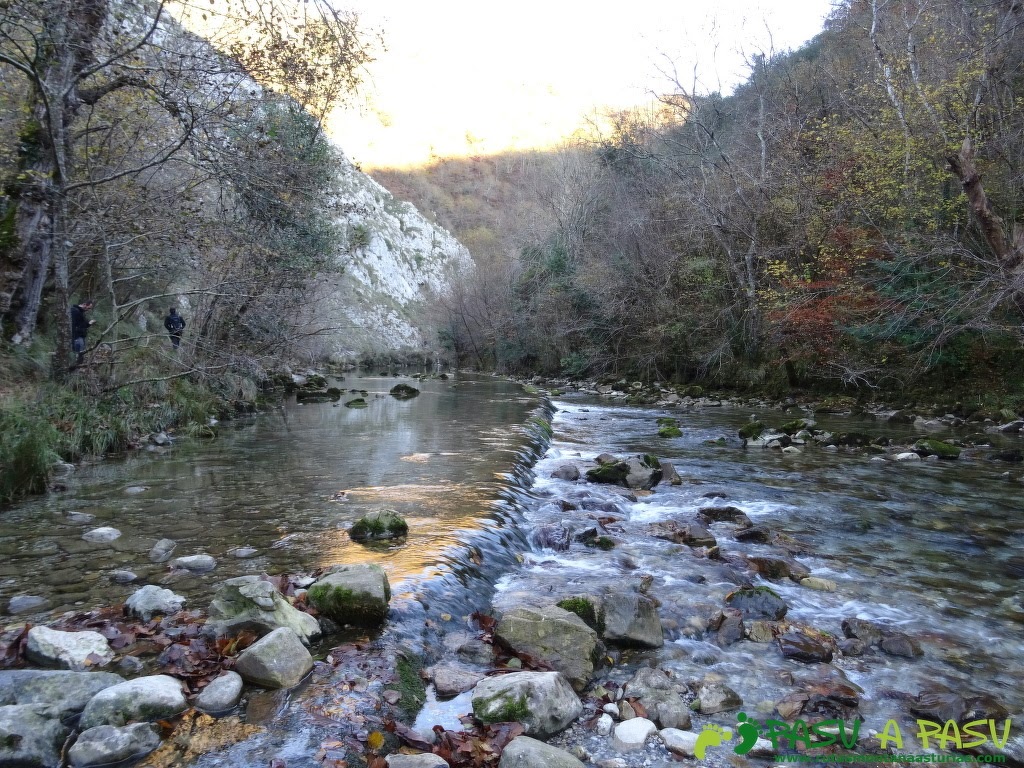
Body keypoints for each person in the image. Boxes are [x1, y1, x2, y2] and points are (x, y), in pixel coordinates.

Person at [70, 299, 95, 367]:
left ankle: (77, 368)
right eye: (88, 308)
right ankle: (74, 368)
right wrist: (88, 323)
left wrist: (88, 323)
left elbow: (81, 323)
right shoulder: (75, 311)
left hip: (80, 336)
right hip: (76, 337)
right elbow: (76, 325)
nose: (88, 310)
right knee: (78, 354)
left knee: (80, 354)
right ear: (84, 304)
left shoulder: (80, 312)